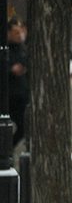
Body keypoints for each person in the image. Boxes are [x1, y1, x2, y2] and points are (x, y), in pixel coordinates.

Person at [6, 17, 29, 147]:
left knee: (24, 127)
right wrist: (11, 70)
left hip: (21, 96)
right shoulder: (5, 49)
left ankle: (9, 148)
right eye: (15, 32)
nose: (19, 35)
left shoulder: (22, 48)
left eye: (20, 32)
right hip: (8, 96)